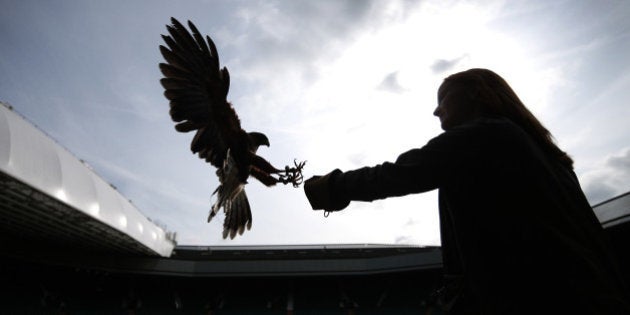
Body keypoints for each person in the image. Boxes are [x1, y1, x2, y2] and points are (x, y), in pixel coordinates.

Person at [304, 68, 630, 314]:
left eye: (443, 98)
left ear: (476, 93)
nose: (436, 110)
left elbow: (403, 173)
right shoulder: (553, 160)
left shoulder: (485, 135)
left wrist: (333, 186)